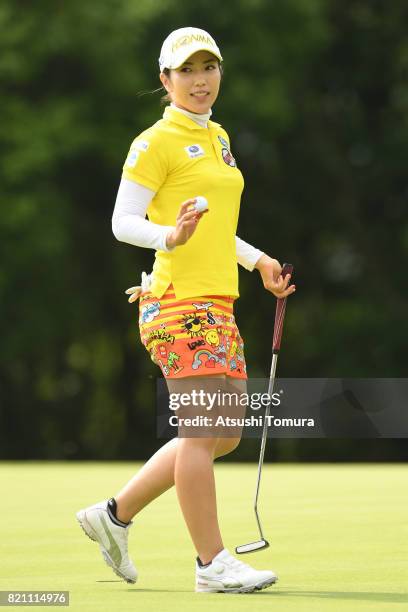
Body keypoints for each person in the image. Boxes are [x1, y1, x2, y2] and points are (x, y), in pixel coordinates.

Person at [76, 26, 295, 594]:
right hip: (177, 302)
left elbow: (219, 226)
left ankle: (115, 513)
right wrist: (169, 237)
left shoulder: (217, 136)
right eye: (187, 71)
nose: (200, 81)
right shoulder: (155, 141)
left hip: (217, 296)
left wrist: (258, 260)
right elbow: (123, 222)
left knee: (224, 434)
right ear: (165, 80)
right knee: (201, 433)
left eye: (209, 68)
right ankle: (211, 564)